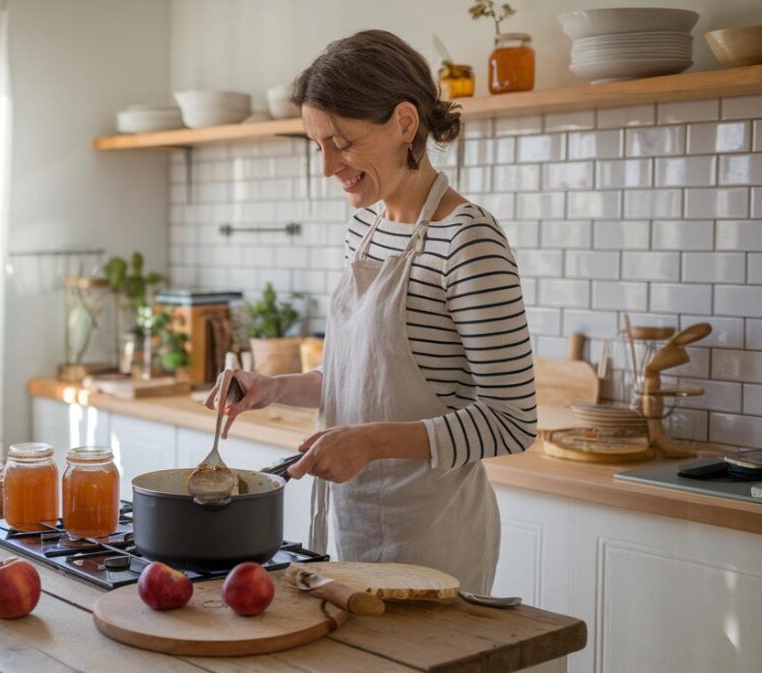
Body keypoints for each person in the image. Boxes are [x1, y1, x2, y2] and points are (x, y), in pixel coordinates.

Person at [207, 30, 537, 593]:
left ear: (405, 123)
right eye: (317, 144)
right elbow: (360, 380)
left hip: (436, 543)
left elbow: (512, 421)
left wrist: (371, 442)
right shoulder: (367, 227)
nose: (327, 165)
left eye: (343, 142)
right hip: (354, 530)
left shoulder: (468, 240)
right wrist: (274, 387)